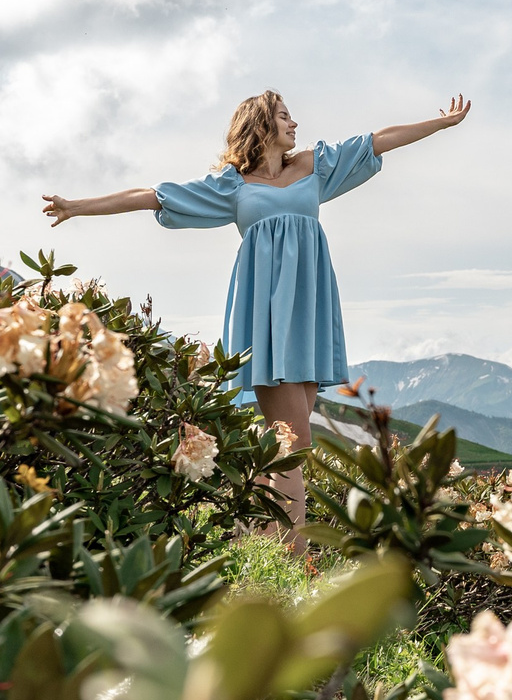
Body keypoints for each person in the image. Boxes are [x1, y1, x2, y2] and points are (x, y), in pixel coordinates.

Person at [42, 91, 471, 537]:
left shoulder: (316, 166)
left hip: (308, 315)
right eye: (285, 117)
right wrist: (78, 206)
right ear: (262, 125)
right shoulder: (233, 186)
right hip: (266, 320)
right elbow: (153, 196)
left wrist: (437, 125)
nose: (295, 124)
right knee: (294, 442)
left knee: (283, 444)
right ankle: (292, 553)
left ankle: (257, 541)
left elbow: (377, 140)